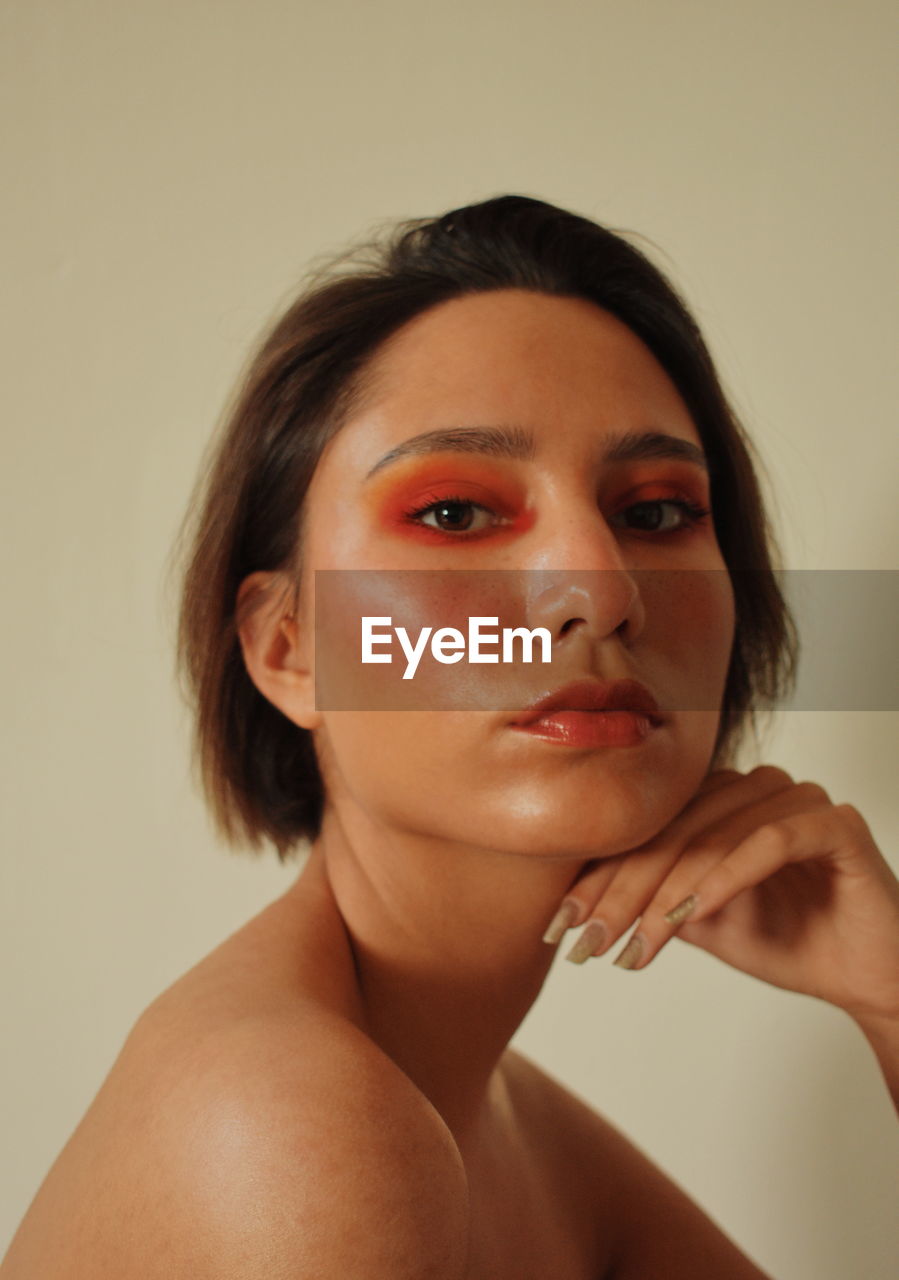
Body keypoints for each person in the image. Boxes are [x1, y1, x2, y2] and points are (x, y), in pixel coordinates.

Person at [3, 195, 898, 1279]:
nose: (598, 591)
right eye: (454, 513)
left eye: (656, 511)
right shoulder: (298, 1129)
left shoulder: (500, 1116)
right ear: (288, 648)